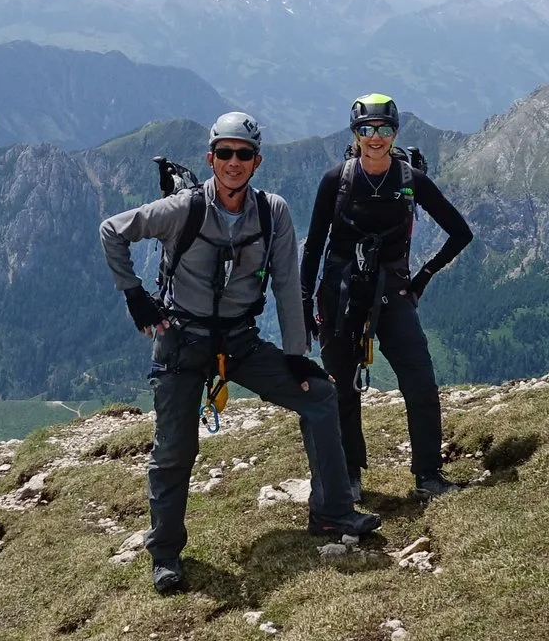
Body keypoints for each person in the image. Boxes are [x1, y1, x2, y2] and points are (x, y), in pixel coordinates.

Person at [100, 109, 380, 594]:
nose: (234, 162)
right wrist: (135, 294)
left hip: (240, 341)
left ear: (257, 161)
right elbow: (112, 230)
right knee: (175, 449)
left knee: (318, 396)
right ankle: (165, 553)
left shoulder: (273, 213)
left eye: (244, 154)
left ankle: (333, 513)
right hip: (183, 342)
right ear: (211, 159)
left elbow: (288, 286)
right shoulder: (182, 209)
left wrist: (296, 354)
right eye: (225, 153)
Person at [300, 93, 474, 501]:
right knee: (340, 386)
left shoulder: (411, 179)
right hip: (340, 293)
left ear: (395, 132)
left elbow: (460, 232)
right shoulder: (336, 180)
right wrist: (305, 301)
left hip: (391, 290)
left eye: (383, 129)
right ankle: (349, 476)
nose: (375, 137)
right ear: (355, 133)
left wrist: (423, 277)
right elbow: (313, 246)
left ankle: (428, 476)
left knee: (419, 380)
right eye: (366, 129)